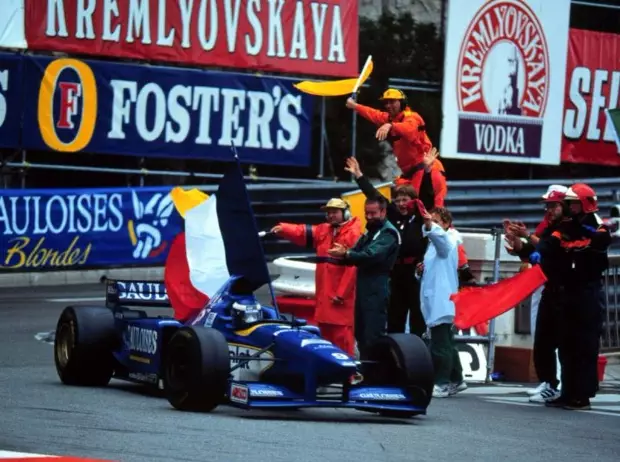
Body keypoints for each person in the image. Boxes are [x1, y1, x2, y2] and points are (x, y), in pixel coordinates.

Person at [514, 184, 611, 410]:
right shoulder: (565, 226)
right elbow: (550, 245)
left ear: (584, 203)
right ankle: (567, 392)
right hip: (568, 292)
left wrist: (582, 237)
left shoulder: (597, 226)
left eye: (572, 202)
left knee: (584, 346)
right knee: (566, 346)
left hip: (587, 292)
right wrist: (532, 248)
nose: (569, 206)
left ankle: (582, 396)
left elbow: (600, 242)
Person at [345, 156, 429, 336]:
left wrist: (427, 172)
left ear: (413, 201)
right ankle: (394, 354)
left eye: (405, 200)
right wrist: (359, 175)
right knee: (394, 316)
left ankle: (417, 353)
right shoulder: (392, 214)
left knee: (417, 317)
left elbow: (428, 197)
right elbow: (374, 196)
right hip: (395, 272)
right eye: (398, 200)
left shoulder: (422, 218)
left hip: (416, 274)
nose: (400, 204)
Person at [271, 199, 361, 356]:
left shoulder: (353, 234)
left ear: (345, 213)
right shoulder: (324, 230)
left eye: (335, 212)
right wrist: (284, 228)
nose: (330, 215)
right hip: (325, 296)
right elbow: (303, 232)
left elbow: (352, 268)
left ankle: (349, 375)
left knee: (342, 336)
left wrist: (341, 293)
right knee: (326, 337)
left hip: (340, 299)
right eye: (329, 212)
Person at [504, 185, 567, 403]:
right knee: (541, 338)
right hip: (544, 285)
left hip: (562, 288)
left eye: (553, 205)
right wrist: (516, 243)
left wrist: (527, 236)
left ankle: (557, 382)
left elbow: (550, 248)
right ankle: (548, 381)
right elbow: (533, 253)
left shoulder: (568, 226)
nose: (549, 210)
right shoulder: (547, 225)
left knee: (557, 339)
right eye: (547, 206)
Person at [327, 195, 401, 360]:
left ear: (383, 212)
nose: (368, 217)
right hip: (363, 286)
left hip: (377, 287)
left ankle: (377, 374)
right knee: (360, 332)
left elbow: (370, 255)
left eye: (373, 213)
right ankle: (367, 371)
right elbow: (356, 251)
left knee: (373, 334)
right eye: (366, 213)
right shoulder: (372, 231)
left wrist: (346, 254)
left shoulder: (388, 233)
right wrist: (345, 253)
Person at [346, 89, 448, 207]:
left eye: (392, 102)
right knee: (403, 205)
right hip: (410, 172)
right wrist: (354, 105)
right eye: (386, 102)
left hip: (428, 168)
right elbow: (374, 114)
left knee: (434, 205)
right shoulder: (390, 118)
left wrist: (390, 126)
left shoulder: (412, 117)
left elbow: (409, 129)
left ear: (402, 102)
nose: (388, 105)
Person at [414, 204, 465, 398]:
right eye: (430, 221)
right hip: (435, 298)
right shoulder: (434, 245)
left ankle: (442, 382)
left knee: (440, 345)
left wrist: (429, 226)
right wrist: (419, 272)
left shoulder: (448, 240)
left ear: (446, 224)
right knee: (447, 343)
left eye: (436, 222)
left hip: (442, 300)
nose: (432, 225)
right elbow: (433, 271)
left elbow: (442, 243)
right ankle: (457, 379)